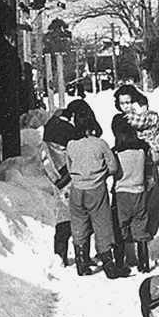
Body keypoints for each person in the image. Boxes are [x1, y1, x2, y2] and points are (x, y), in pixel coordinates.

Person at [64, 100, 127, 278]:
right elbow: (113, 167)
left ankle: (81, 261)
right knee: (102, 224)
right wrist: (102, 174)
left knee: (79, 224)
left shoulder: (71, 145)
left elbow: (69, 167)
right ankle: (107, 261)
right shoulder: (100, 144)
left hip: (77, 189)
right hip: (96, 189)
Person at [112, 115, 159, 273]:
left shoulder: (116, 153)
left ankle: (120, 264)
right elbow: (151, 164)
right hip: (139, 193)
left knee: (120, 229)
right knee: (140, 228)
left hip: (121, 195)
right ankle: (144, 265)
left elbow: (112, 169)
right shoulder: (141, 151)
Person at [39, 104, 77, 265]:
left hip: (59, 181)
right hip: (70, 179)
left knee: (62, 221)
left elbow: (47, 163)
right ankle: (82, 256)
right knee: (76, 220)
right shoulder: (67, 131)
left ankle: (60, 255)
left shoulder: (47, 138)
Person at [113, 84, 159, 173]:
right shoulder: (120, 119)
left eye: (128, 102)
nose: (125, 107)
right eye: (122, 103)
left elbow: (143, 121)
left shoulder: (146, 116)